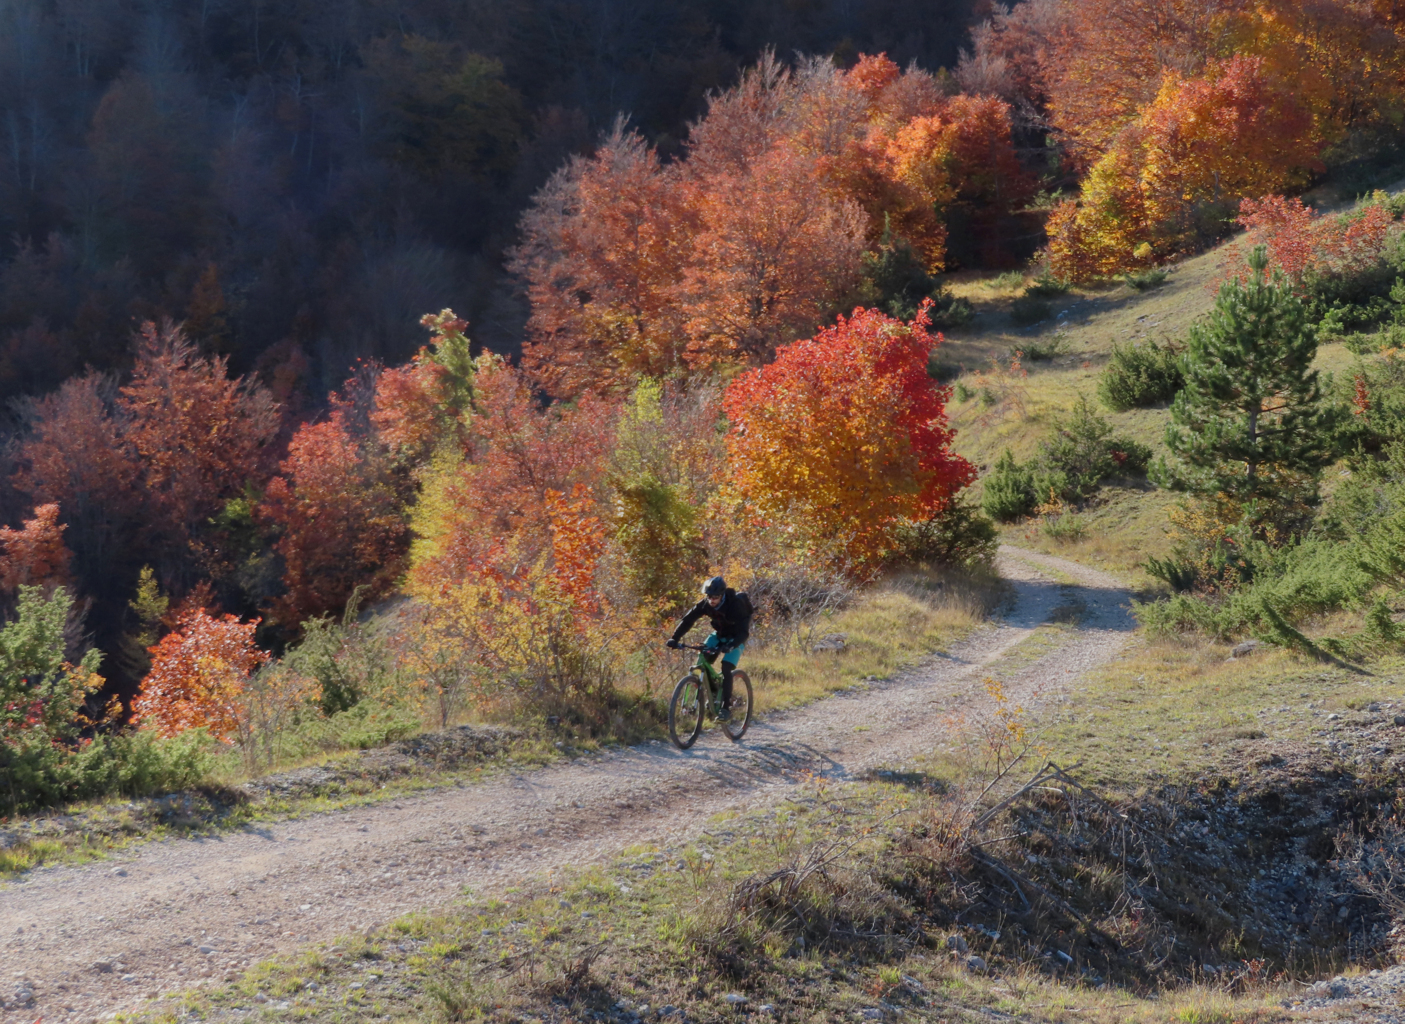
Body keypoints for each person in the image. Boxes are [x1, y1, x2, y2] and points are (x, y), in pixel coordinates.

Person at [667, 576, 752, 721]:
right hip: (718, 635)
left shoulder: (735, 605)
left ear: (722, 595)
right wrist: (675, 638)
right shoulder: (705, 604)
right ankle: (714, 692)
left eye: (716, 597)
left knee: (726, 667)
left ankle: (725, 708)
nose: (712, 600)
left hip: (736, 638)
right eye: (709, 596)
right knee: (701, 661)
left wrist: (731, 645)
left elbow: (744, 632)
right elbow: (688, 620)